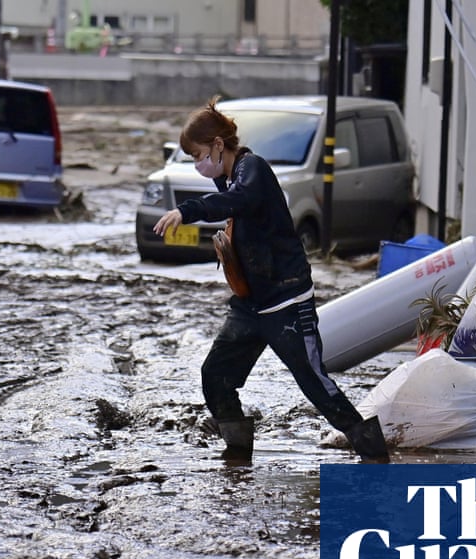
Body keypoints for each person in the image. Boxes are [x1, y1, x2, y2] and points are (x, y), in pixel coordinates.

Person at [153, 97, 389, 463]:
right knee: (215, 374)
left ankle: (371, 450)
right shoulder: (228, 177)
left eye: (199, 155)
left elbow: (239, 201)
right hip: (250, 304)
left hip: (287, 302)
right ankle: (237, 453)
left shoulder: (253, 170)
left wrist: (186, 211)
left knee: (314, 382)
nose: (198, 164)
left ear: (218, 144)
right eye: (192, 159)